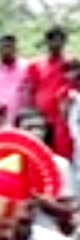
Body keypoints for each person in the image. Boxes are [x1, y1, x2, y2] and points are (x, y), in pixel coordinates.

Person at [24, 26, 73, 161]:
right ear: (46, 42)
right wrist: (30, 113)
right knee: (39, 153)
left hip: (63, 118)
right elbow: (30, 89)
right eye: (53, 41)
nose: (56, 44)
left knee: (62, 154)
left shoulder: (71, 63)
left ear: (64, 42)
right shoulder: (36, 64)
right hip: (40, 118)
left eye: (60, 41)